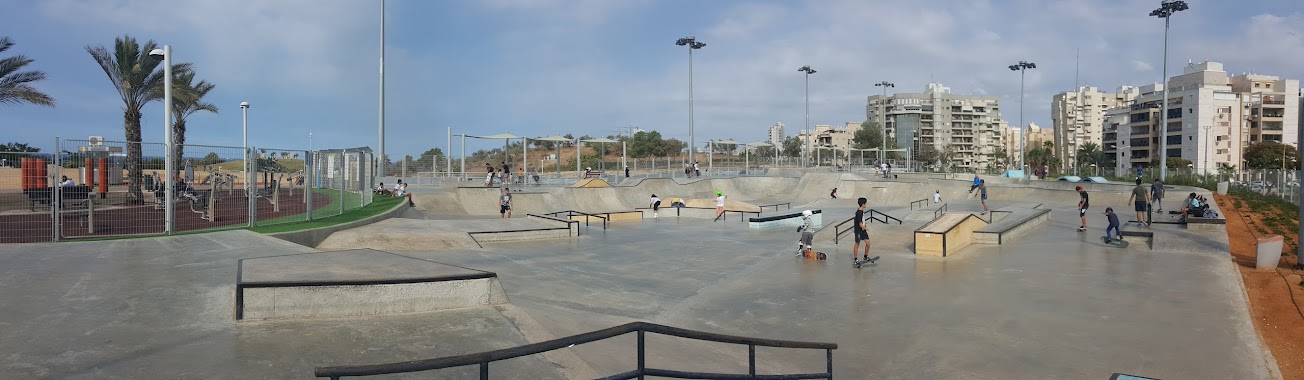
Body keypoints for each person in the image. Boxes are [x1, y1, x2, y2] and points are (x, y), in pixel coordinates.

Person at [853, 197, 872, 263]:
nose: (866, 204)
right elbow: (860, 224)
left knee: (868, 243)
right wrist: (867, 228)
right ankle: (856, 260)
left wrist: (864, 228)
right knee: (857, 244)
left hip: (863, 230)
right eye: (866, 203)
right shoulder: (859, 212)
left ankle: (865, 257)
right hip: (859, 231)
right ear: (863, 204)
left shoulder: (861, 211)